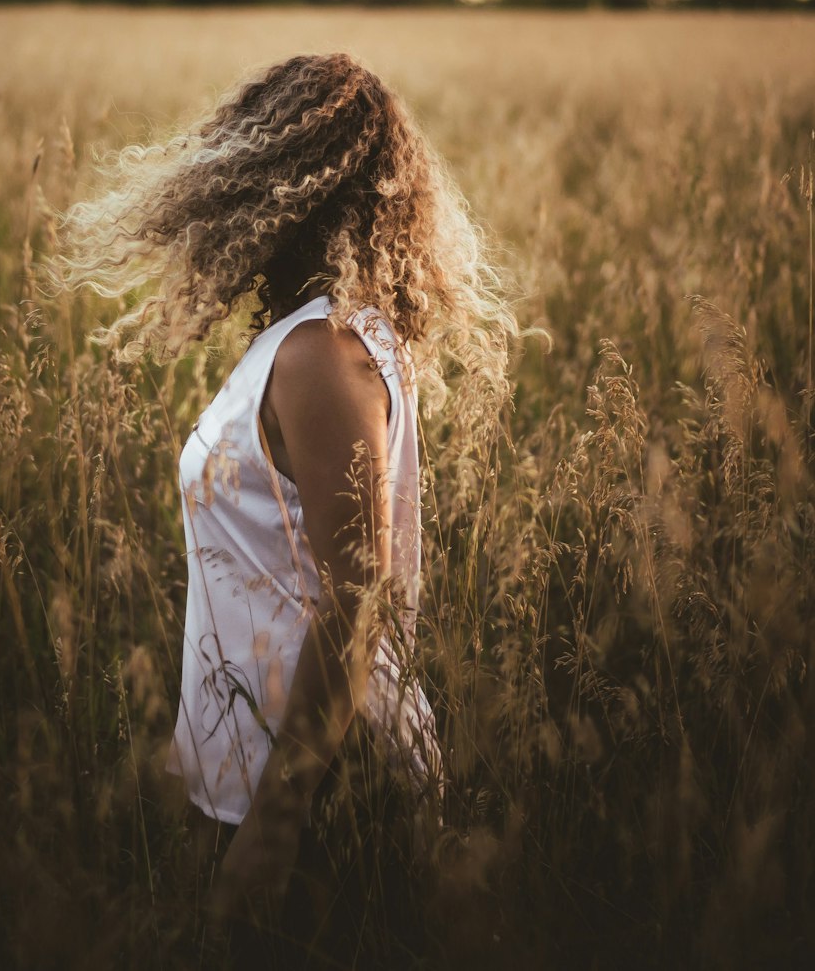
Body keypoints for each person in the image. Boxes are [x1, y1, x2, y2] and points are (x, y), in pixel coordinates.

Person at [53, 51, 518, 960]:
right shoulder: (318, 336)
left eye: (241, 166)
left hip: (318, 789)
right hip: (268, 770)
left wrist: (275, 821)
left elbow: (359, 593)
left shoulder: (320, 355)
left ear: (282, 187)